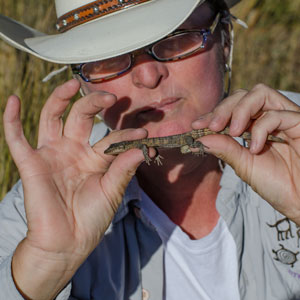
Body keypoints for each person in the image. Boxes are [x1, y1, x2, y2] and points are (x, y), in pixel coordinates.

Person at [0, 0, 300, 299]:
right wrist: (46, 265)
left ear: (223, 39)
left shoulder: (294, 137)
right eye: (108, 56)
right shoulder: (46, 200)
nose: (148, 76)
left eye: (175, 38)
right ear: (80, 80)